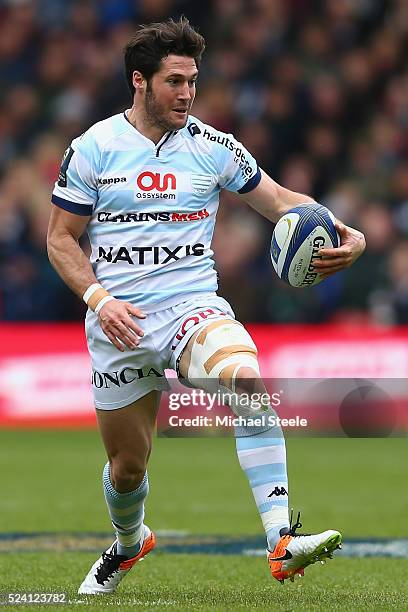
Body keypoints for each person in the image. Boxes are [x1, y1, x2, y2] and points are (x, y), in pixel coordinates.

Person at [47, 17, 365, 595]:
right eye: (175, 81)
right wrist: (99, 299)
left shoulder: (212, 146)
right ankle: (128, 542)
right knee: (128, 469)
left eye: (194, 80)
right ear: (139, 82)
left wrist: (347, 231)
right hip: (117, 322)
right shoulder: (92, 148)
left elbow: (280, 200)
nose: (188, 93)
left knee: (246, 382)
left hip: (192, 307)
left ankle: (280, 540)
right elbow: (60, 239)